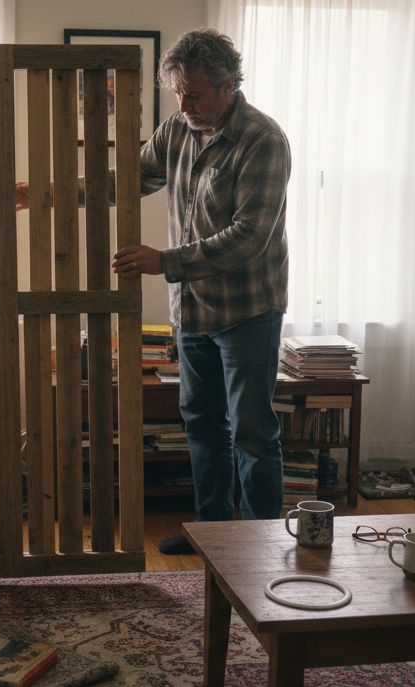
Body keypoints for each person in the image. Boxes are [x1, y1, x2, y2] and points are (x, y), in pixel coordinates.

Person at [19, 29, 291, 556]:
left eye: (195, 94)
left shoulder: (264, 139)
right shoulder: (178, 129)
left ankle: (261, 549)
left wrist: (163, 262)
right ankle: (214, 534)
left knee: (253, 433)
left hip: (248, 311)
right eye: (179, 94)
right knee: (201, 425)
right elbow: (125, 179)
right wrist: (48, 193)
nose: (185, 105)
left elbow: (249, 236)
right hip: (191, 313)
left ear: (229, 85)